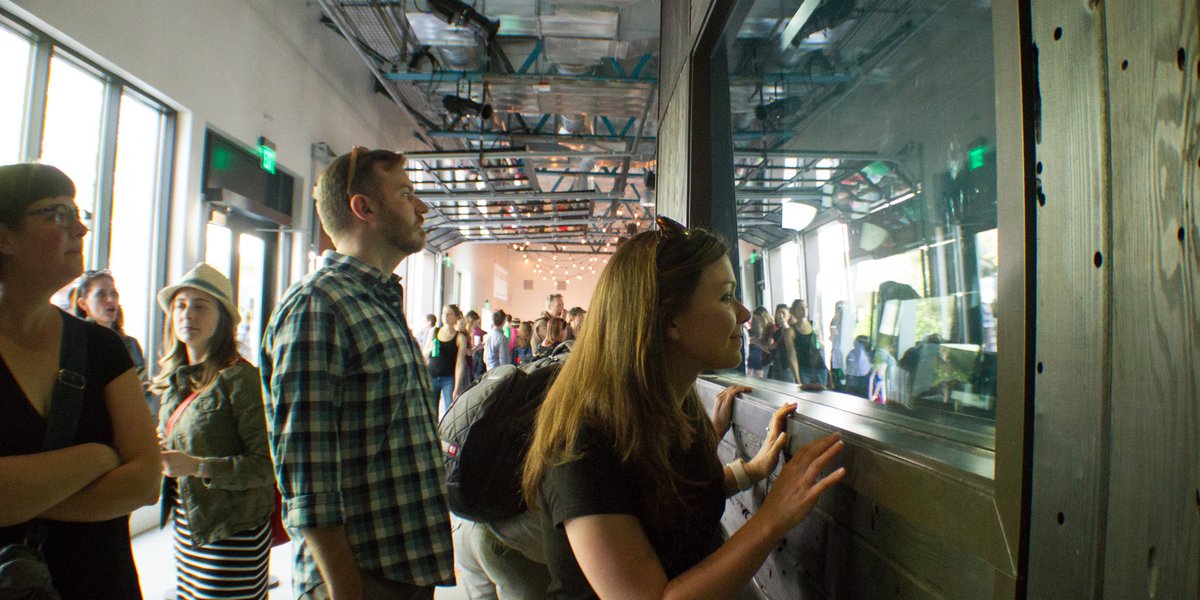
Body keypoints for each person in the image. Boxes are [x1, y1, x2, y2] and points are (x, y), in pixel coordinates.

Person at [521, 215, 846, 599]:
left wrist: (752, 470)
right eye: (726, 296)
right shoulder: (580, 448)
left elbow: (669, 500)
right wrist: (772, 518)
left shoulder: (675, 404)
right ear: (671, 319)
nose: (744, 315)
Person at [260, 147, 454, 599]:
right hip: (359, 578)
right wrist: (345, 589)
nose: (422, 207)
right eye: (406, 194)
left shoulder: (375, 301)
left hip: (399, 568)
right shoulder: (318, 305)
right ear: (363, 208)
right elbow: (307, 476)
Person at [0, 163, 160, 599]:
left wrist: (18, 498)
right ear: (4, 236)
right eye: (56, 213)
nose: (81, 228)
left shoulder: (102, 348)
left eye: (77, 212)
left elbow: (147, 481)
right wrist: (96, 457)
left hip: (101, 582)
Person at [152, 263, 275, 599]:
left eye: (200, 305)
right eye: (180, 305)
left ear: (223, 317)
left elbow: (265, 465)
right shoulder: (176, 380)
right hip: (189, 524)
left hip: (234, 529)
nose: (187, 314)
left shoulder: (240, 379)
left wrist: (196, 465)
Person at [70, 269, 157, 417]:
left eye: (114, 293)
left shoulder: (129, 345)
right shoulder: (75, 342)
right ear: (83, 304)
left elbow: (144, 394)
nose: (110, 300)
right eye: (101, 294)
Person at [429, 303, 470, 417]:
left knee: (449, 411)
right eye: (444, 313)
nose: (445, 316)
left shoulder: (460, 338)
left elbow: (460, 363)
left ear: (456, 317)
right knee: (432, 411)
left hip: (448, 378)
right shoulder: (434, 332)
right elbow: (424, 353)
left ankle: (446, 434)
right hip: (432, 375)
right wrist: (430, 347)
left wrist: (457, 386)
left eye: (449, 314)